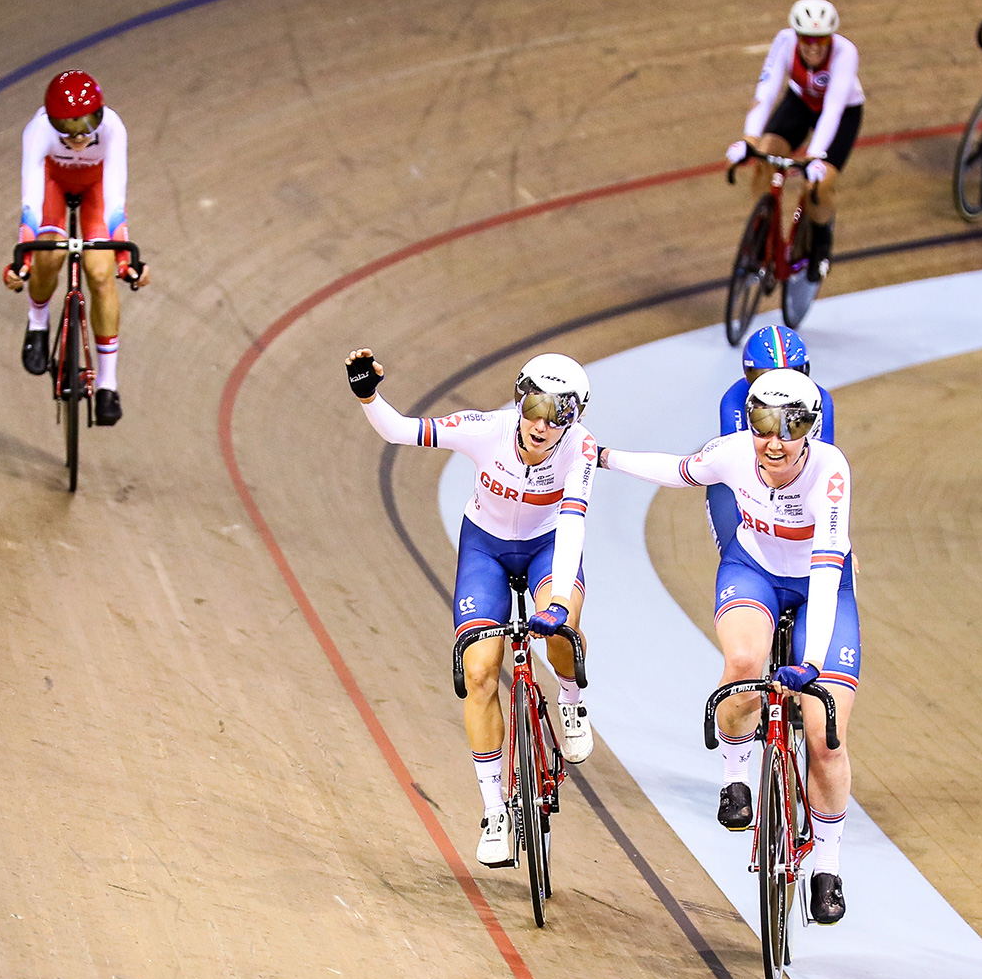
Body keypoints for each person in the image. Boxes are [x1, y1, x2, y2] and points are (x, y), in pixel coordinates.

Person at [599, 370, 860, 923]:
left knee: (825, 737)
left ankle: (829, 864)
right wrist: (604, 456)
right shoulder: (733, 451)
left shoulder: (830, 472)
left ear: (812, 430)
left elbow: (825, 569)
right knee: (744, 665)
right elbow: (674, 471)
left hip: (822, 585)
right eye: (764, 421)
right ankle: (736, 775)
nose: (775, 439)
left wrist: (810, 663)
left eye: (790, 426)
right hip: (754, 568)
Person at [346, 350, 596, 867]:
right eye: (533, 407)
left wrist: (556, 607)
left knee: (560, 630)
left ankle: (570, 697)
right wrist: (369, 395)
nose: (541, 424)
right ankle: (494, 811)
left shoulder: (581, 451)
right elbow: (399, 431)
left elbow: (572, 524)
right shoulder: (488, 430)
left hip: (551, 546)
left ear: (574, 419)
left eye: (557, 415)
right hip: (485, 547)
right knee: (481, 672)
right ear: (518, 399)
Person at [2, 70, 149, 426]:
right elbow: (31, 201)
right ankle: (37, 323)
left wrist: (126, 258)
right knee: (48, 256)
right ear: (52, 122)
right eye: (67, 126)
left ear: (100, 114)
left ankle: (108, 385)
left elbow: (115, 197)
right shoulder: (37, 132)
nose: (80, 134)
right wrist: (24, 254)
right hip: (53, 184)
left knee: (100, 274)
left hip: (96, 188)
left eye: (87, 122)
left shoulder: (113, 128)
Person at [728, 0, 864, 282]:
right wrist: (749, 138)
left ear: (831, 37)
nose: (813, 46)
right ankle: (762, 236)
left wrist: (814, 156)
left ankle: (821, 240)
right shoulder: (784, 41)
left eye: (821, 39)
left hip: (842, 112)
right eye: (806, 38)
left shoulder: (845, 52)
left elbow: (833, 110)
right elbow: (765, 91)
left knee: (819, 183)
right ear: (797, 35)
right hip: (800, 102)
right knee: (765, 157)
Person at [708, 325, 837, 551]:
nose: (777, 389)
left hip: (792, 491)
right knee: (740, 557)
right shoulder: (734, 400)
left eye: (790, 375)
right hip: (743, 488)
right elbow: (739, 470)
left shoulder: (820, 401)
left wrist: (836, 543)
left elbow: (823, 476)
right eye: (764, 378)